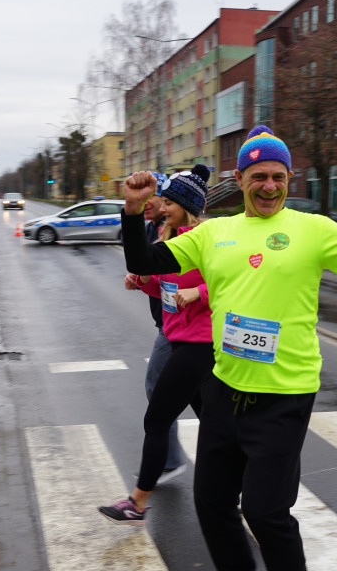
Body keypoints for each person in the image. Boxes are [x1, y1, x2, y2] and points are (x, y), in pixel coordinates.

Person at [120, 126, 337, 570]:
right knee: (212, 506)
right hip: (223, 391)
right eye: (258, 177)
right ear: (239, 179)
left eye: (277, 176)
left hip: (284, 396)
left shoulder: (314, 229)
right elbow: (143, 263)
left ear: (290, 177)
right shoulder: (213, 234)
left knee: (265, 513)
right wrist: (133, 211)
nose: (269, 186)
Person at [100, 164, 215, 526]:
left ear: (187, 206)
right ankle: (234, 483)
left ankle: (137, 502)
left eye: (169, 202)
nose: (162, 207)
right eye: (162, 201)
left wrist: (198, 292)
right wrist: (143, 283)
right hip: (176, 337)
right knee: (214, 423)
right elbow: (165, 288)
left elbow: (234, 285)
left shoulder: (206, 240)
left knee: (157, 418)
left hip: (200, 343)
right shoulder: (168, 240)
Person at [141, 172, 189, 483]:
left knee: (158, 393)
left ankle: (167, 463)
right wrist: (144, 281)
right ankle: (169, 460)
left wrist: (199, 293)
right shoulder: (157, 231)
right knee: (203, 404)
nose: (147, 205)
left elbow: (227, 282)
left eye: (156, 199)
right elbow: (162, 281)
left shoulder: (198, 236)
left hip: (192, 333)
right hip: (169, 325)